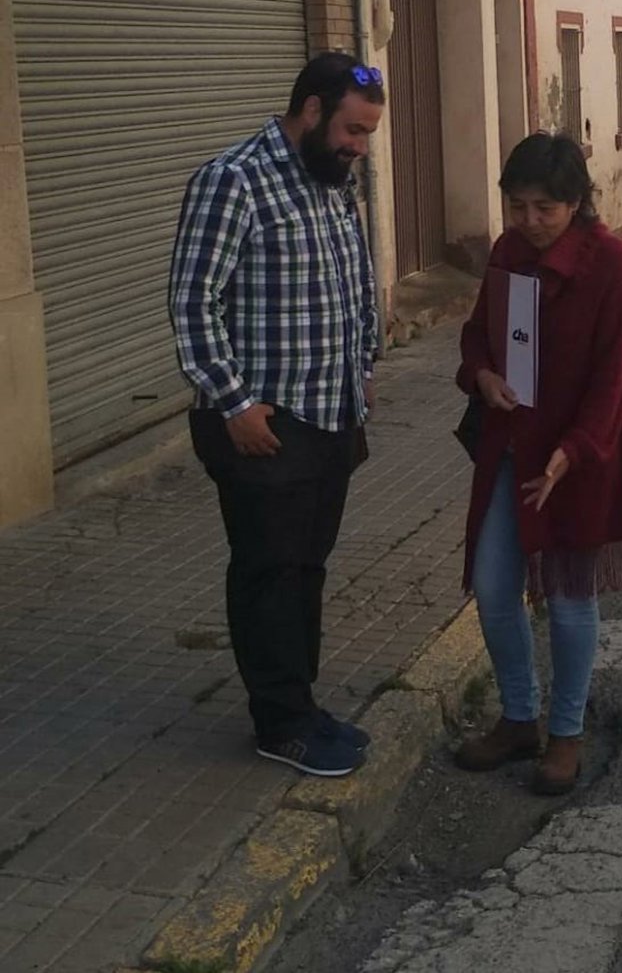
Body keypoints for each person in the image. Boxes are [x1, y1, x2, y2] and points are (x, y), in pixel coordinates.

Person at [169, 52, 385, 778]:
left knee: (306, 569)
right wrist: (233, 402)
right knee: (269, 572)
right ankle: (280, 723)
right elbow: (192, 301)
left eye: (367, 133)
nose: (359, 146)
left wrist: (364, 365)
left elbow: (355, 280)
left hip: (330, 415)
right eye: (353, 129)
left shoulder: (332, 181)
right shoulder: (233, 180)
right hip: (263, 425)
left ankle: (301, 703)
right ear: (312, 110)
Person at [454, 133, 622, 796]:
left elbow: (613, 377)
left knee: (570, 601)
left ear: (576, 202)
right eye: (518, 206)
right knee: (493, 587)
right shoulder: (508, 253)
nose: (531, 221)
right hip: (511, 451)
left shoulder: (610, 263)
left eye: (545, 207)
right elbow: (478, 336)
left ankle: (565, 732)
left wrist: (574, 451)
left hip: (578, 460)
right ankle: (519, 715)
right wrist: (483, 376)